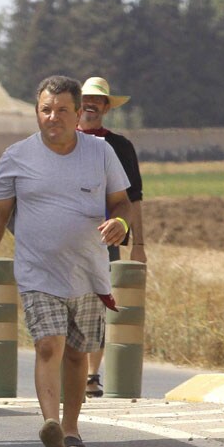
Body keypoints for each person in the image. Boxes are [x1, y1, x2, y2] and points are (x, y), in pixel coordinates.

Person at [0, 75, 133, 447]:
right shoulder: (16, 157)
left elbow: (122, 202)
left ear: (78, 113)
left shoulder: (101, 153)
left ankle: (72, 428)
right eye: (46, 110)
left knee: (77, 353)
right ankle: (52, 425)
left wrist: (121, 224)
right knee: (48, 345)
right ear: (36, 112)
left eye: (62, 110)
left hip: (90, 273)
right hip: (38, 272)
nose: (53, 117)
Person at [76, 75, 146, 399]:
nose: (91, 104)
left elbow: (133, 199)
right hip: (66, 239)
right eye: (86, 98)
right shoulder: (61, 142)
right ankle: (71, 369)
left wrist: (139, 245)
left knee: (100, 304)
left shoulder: (119, 146)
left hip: (105, 238)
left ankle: (91, 374)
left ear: (106, 107)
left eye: (98, 100)